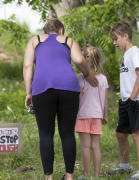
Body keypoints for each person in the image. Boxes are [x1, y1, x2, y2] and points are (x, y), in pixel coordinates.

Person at [23, 13, 97, 180]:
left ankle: (49, 177)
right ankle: (69, 176)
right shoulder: (68, 40)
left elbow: (28, 67)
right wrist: (88, 74)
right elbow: (79, 59)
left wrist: (29, 92)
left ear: (45, 30)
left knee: (45, 134)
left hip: (42, 88)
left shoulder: (35, 41)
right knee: (67, 133)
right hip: (68, 88)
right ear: (61, 30)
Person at [107, 22, 139, 180]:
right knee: (120, 133)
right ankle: (125, 166)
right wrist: (126, 98)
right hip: (126, 100)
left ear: (125, 36)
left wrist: (132, 97)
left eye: (116, 38)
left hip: (136, 99)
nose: (114, 42)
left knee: (137, 133)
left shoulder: (135, 52)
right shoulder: (126, 54)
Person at [75, 46, 109, 179]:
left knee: (85, 146)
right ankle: (96, 176)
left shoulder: (81, 78)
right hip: (97, 116)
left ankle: (86, 174)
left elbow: (80, 98)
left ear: (88, 58)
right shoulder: (103, 79)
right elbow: (105, 100)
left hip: (83, 115)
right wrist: (105, 115)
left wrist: (74, 114)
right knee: (96, 146)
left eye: (84, 56)